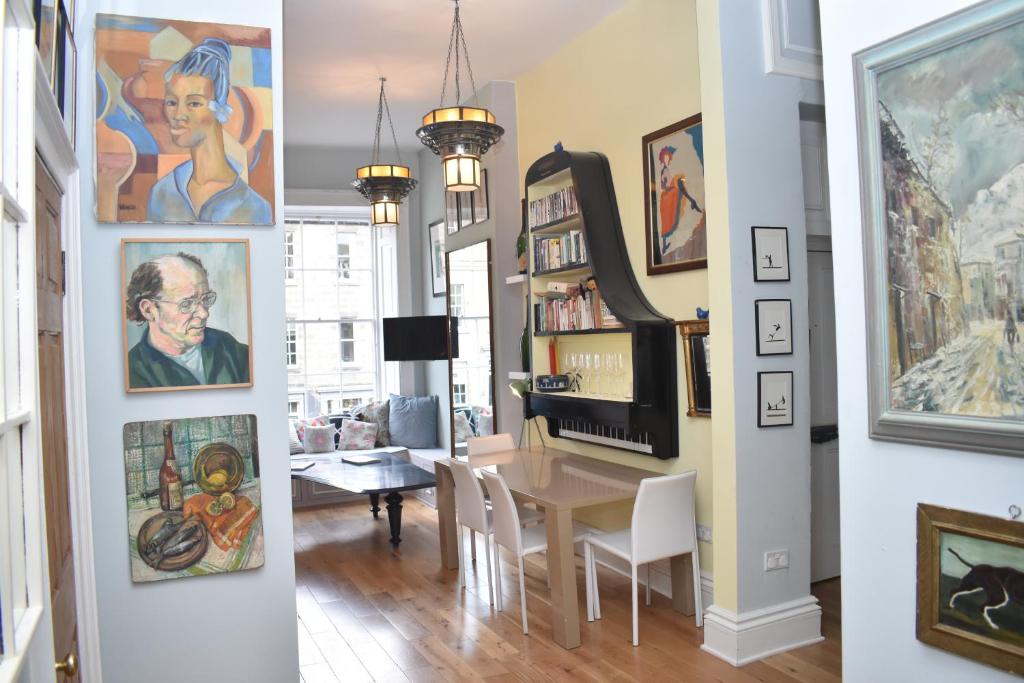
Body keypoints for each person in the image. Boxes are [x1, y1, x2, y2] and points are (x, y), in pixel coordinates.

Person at [147, 38, 272, 224]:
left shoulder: (255, 208)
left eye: (194, 103)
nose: (178, 114)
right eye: (172, 102)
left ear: (220, 106)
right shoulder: (162, 193)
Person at [125, 252, 250, 389]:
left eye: (206, 299)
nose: (204, 314)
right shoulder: (134, 372)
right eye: (187, 304)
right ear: (148, 310)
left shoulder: (228, 347)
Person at [657, 145, 704, 258]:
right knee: (679, 182)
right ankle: (692, 201)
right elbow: (664, 186)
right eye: (666, 157)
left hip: (670, 192)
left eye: (669, 157)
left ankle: (692, 201)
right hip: (667, 195)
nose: (668, 159)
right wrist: (670, 184)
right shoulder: (664, 170)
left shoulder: (669, 169)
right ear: (664, 159)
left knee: (679, 181)